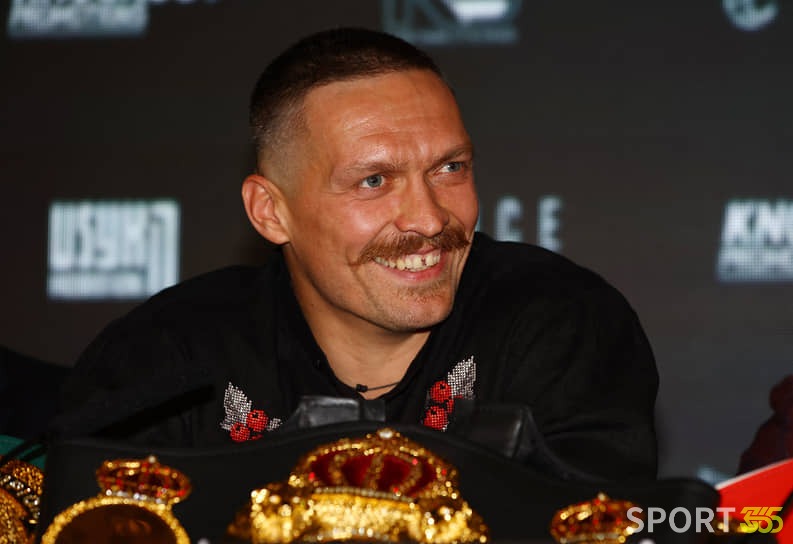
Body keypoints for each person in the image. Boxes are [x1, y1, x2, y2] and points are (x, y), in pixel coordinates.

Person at [59, 27, 658, 481]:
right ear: (271, 212)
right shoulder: (170, 354)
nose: (429, 218)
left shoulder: (561, 322)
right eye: (374, 181)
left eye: (450, 168)